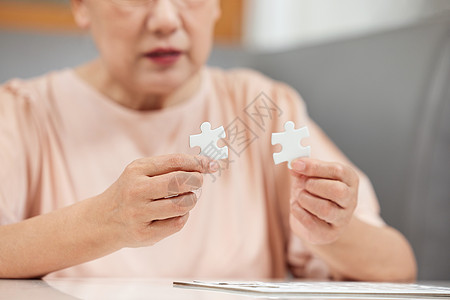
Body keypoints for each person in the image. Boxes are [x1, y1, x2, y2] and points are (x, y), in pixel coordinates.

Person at [0, 0, 416, 280]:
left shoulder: (263, 109)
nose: (165, 19)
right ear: (81, 6)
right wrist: (105, 222)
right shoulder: (22, 112)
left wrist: (333, 230)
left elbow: (400, 268)